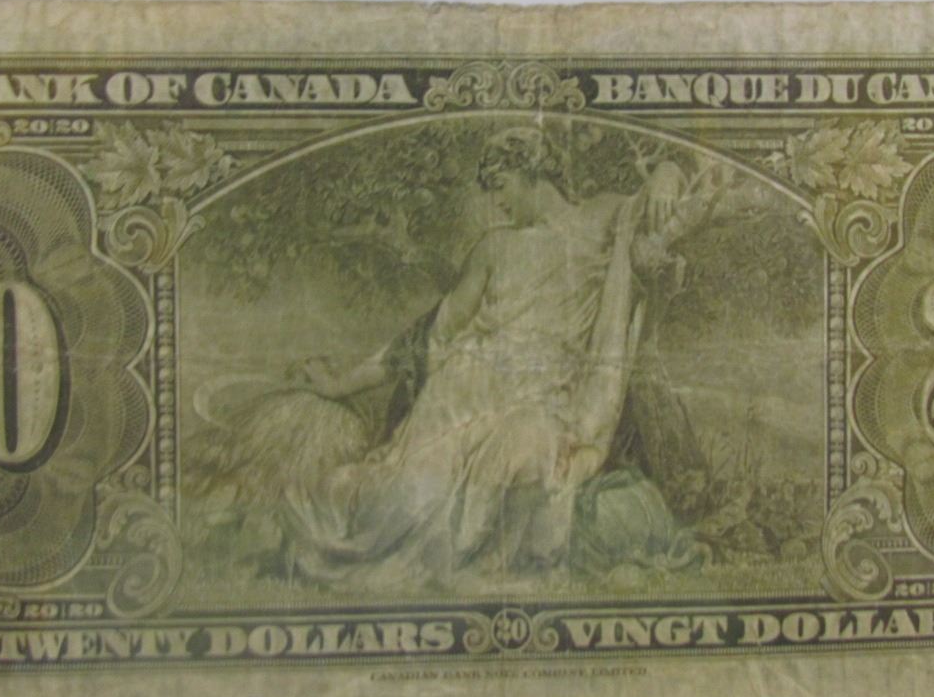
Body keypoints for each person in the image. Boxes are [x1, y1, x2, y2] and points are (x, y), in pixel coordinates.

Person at [280, 125, 687, 589]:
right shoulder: (493, 248)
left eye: (500, 185)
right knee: (402, 502)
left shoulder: (602, 216)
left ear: (529, 170)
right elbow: (427, 337)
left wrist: (668, 172)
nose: (497, 201)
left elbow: (659, 198)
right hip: (459, 397)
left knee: (521, 459)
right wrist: (341, 384)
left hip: (542, 397)